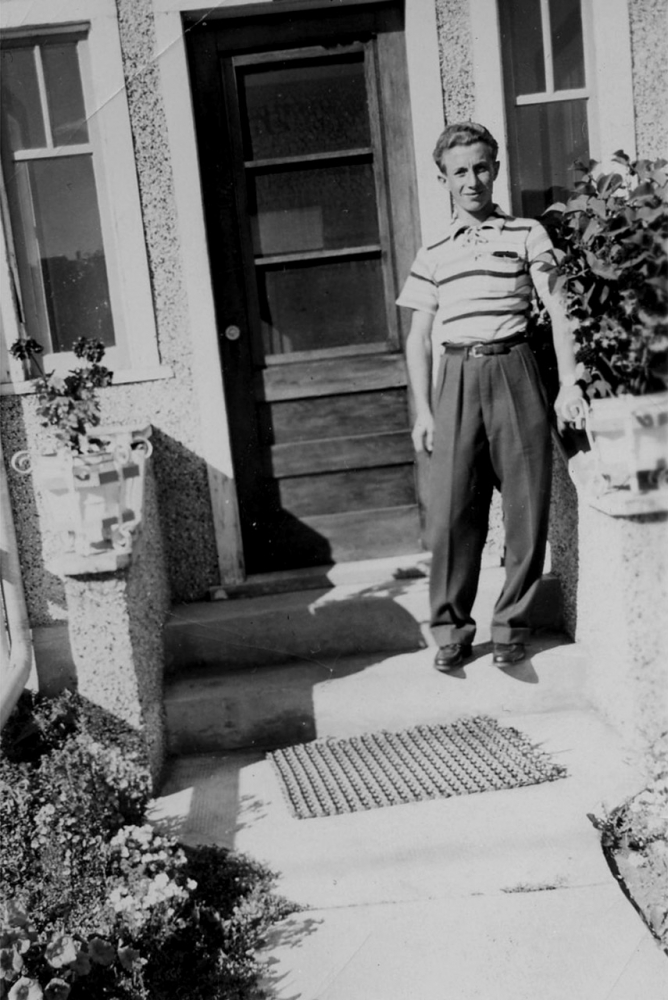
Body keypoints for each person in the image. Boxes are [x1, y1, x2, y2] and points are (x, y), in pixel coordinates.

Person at [397, 122, 583, 670]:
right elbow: (416, 338)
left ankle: (510, 627)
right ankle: (452, 629)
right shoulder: (432, 251)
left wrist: (569, 382)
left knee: (525, 506)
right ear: (444, 180)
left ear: (496, 169)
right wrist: (424, 411)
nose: (472, 180)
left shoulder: (526, 233)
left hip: (516, 368)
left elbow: (560, 311)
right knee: (452, 513)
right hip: (456, 375)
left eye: (481, 167)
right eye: (459, 172)